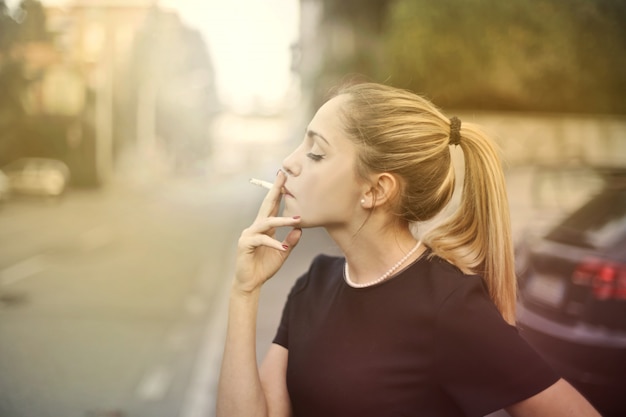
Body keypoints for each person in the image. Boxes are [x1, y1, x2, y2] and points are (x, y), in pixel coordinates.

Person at [216, 82, 601, 417]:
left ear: (375, 190)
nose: (288, 163)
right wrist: (244, 290)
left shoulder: (449, 306)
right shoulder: (312, 284)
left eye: (316, 152)